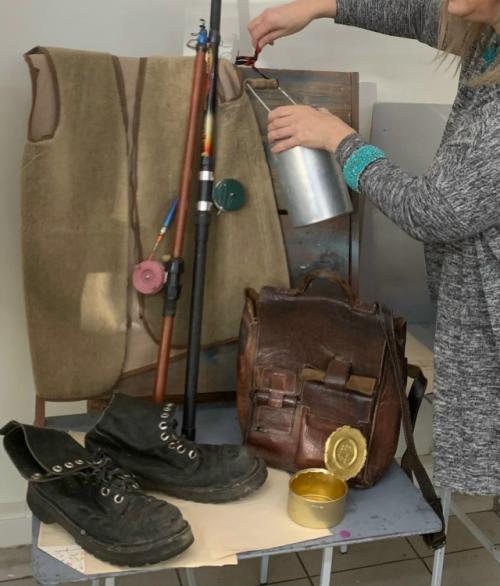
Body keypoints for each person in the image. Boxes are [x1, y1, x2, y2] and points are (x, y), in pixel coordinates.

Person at [249, 0, 500, 497]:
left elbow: (435, 211)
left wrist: (342, 142)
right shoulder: (487, 29)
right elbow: (423, 16)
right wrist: (318, 7)